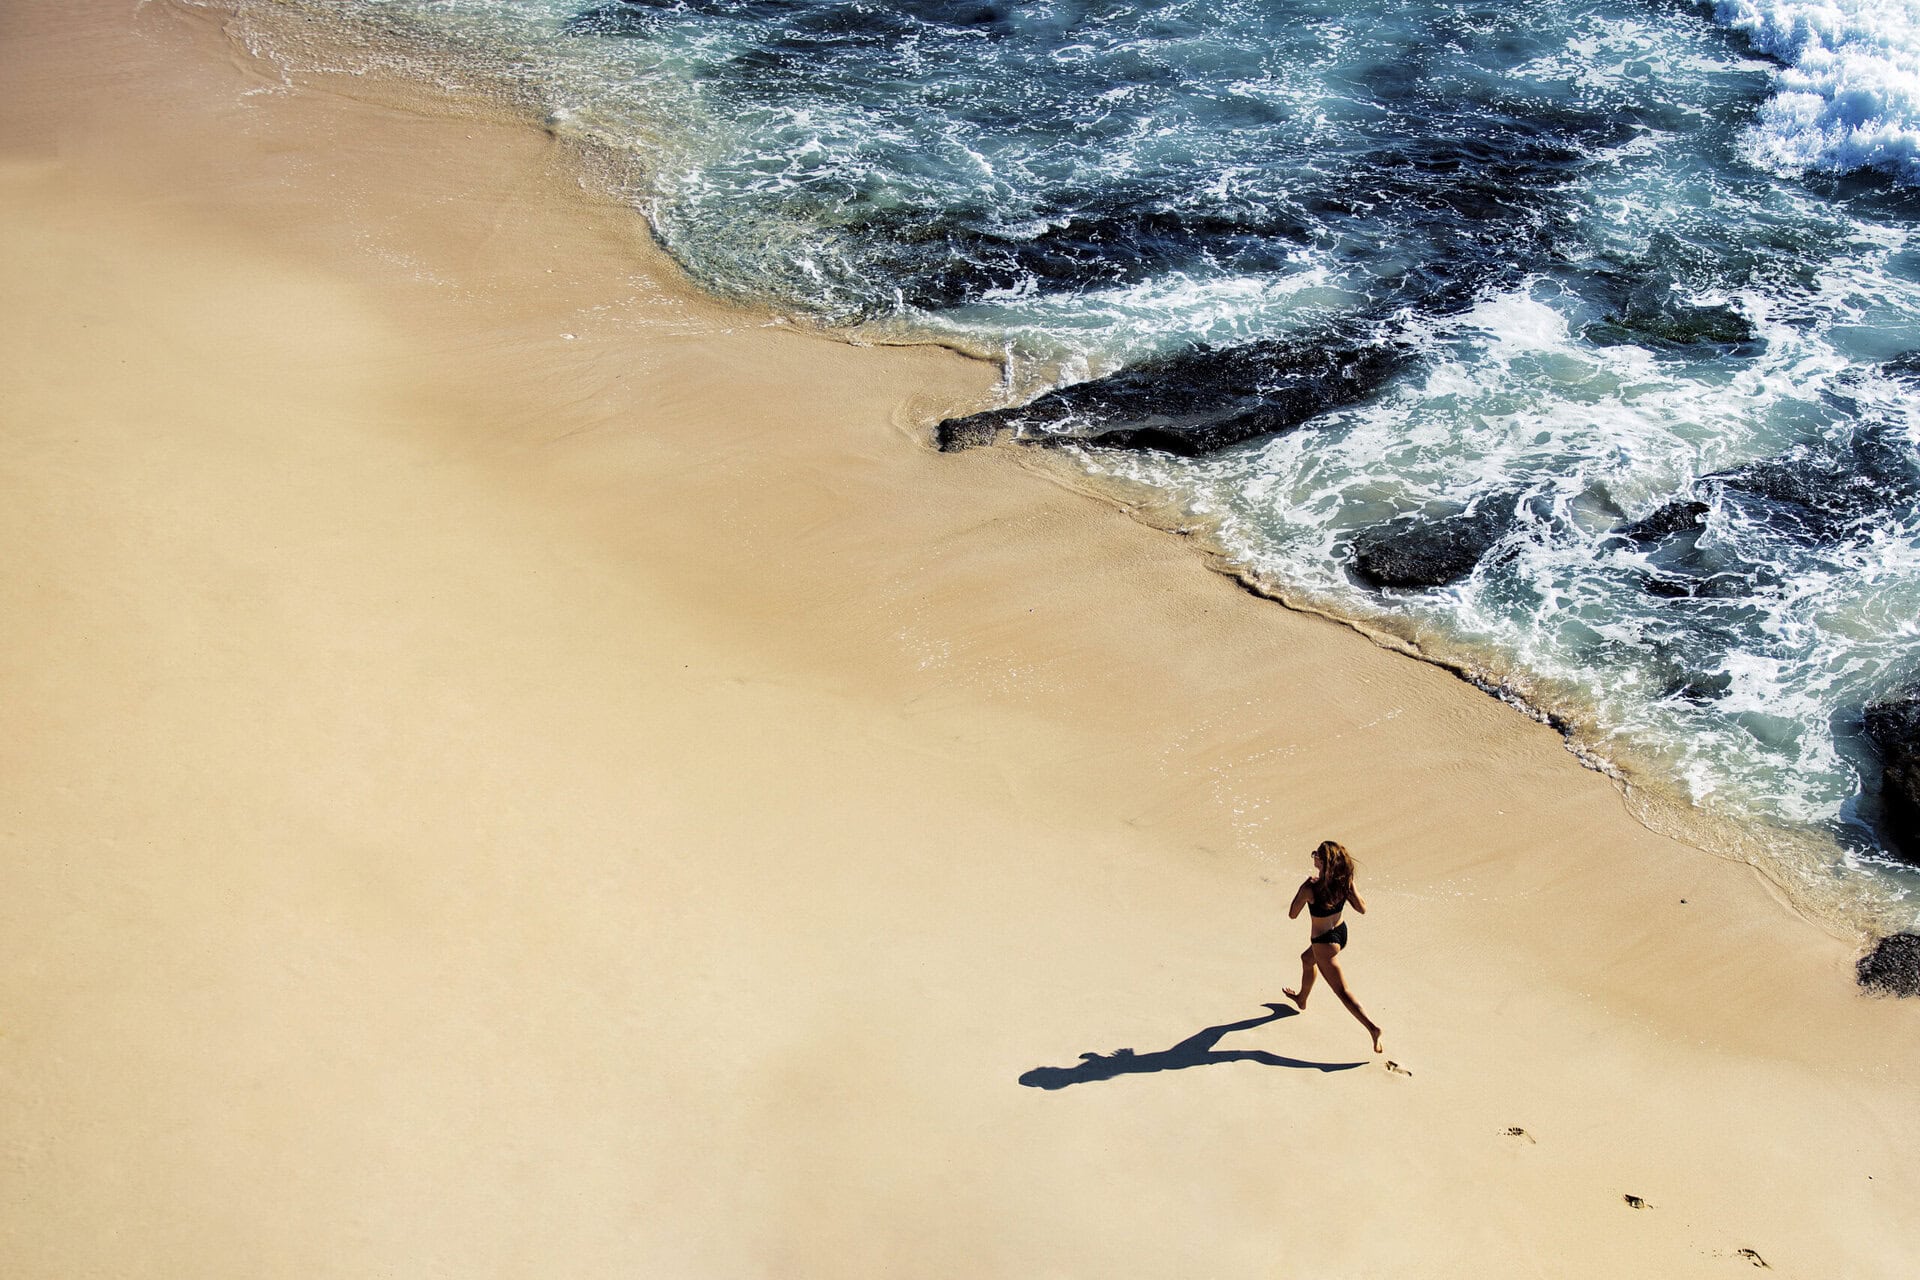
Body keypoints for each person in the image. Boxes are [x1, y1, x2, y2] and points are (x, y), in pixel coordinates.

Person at [1283, 839, 1383, 1053]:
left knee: (1342, 991)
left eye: (1315, 855)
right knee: (1306, 959)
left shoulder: (1311, 887)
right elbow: (1362, 908)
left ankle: (1372, 1028)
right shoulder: (1344, 881)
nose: (1314, 857)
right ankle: (1302, 998)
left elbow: (1292, 914)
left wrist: (1303, 891)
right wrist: (1350, 884)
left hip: (1323, 943)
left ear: (1321, 860)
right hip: (1340, 934)